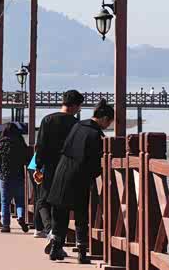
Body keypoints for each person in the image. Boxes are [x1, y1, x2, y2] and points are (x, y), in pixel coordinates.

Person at [48, 99, 114, 263]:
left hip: (62, 171)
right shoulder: (95, 135)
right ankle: (82, 253)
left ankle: (55, 248)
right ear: (104, 118)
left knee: (60, 213)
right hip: (79, 176)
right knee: (81, 215)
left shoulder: (77, 125)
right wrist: (99, 175)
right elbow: (93, 162)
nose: (108, 125)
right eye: (109, 122)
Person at [35, 90, 84, 250]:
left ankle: (51, 231)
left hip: (50, 166)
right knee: (63, 204)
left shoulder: (48, 120)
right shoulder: (76, 124)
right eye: (79, 107)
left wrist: (38, 166)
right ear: (75, 106)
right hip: (69, 168)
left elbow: (41, 145)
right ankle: (58, 238)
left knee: (43, 200)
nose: (79, 110)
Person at [0, 123, 30, 233]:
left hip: (4, 176)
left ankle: (6, 225)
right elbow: (27, 158)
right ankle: (20, 216)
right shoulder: (21, 143)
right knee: (20, 200)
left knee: (5, 201)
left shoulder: (1, 143)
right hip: (18, 175)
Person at [28, 151, 46, 238]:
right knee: (41, 197)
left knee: (38, 197)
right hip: (39, 168)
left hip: (34, 166)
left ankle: (38, 227)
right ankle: (39, 228)